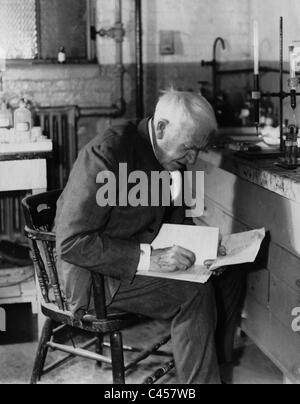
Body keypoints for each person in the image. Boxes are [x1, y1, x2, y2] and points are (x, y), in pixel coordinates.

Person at [55, 89, 246, 384]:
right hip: (97, 279)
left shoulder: (168, 156)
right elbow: (72, 243)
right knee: (195, 293)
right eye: (189, 148)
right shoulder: (109, 153)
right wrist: (150, 257)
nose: (193, 158)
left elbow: (174, 218)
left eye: (199, 149)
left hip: (134, 263)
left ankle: (209, 374)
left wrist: (209, 247)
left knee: (230, 274)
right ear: (161, 128)